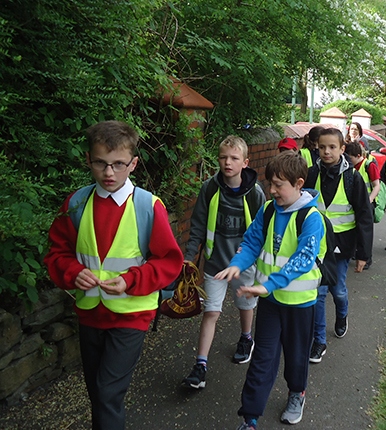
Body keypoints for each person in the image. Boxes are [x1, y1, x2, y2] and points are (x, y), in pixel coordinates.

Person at [44, 120, 184, 430]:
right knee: (98, 393)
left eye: (118, 164)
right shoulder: (77, 203)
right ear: (88, 160)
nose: (109, 173)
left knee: (107, 392)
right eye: (101, 164)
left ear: (133, 164)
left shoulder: (148, 206)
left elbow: (168, 261)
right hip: (90, 314)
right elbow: (56, 252)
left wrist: (131, 280)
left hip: (131, 314)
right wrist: (73, 272)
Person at [215, 151, 327, 430]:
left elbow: (303, 260)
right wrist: (237, 265)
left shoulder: (312, 218)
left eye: (279, 184)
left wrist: (266, 285)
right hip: (269, 302)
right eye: (270, 184)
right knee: (262, 359)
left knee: (296, 356)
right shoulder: (267, 210)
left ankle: (296, 393)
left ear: (299, 183)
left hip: (300, 304)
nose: (272, 190)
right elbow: (252, 241)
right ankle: (250, 418)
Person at [182, 135, 266, 389]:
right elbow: (197, 225)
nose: (227, 163)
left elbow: (262, 230)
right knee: (211, 312)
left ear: (245, 162)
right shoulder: (210, 188)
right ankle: (200, 365)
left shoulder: (255, 193)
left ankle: (246, 337)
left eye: (234, 158)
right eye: (223, 157)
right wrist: (188, 258)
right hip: (216, 263)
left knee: (245, 304)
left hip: (243, 264)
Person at [304, 127, 373, 363]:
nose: (326, 151)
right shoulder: (312, 174)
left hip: (342, 247)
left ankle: (342, 315)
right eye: (322, 147)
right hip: (317, 245)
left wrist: (363, 255)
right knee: (319, 292)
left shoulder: (353, 178)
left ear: (343, 149)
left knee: (339, 290)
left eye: (332, 147)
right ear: (316, 147)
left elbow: (364, 216)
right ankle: (319, 340)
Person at [344, 142, 380, 270]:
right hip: (356, 203)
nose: (348, 160)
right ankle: (355, 253)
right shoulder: (351, 168)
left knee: (365, 232)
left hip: (367, 203)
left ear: (358, 155)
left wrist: (369, 200)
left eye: (350, 158)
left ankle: (367, 258)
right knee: (356, 230)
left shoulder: (369, 165)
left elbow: (377, 185)